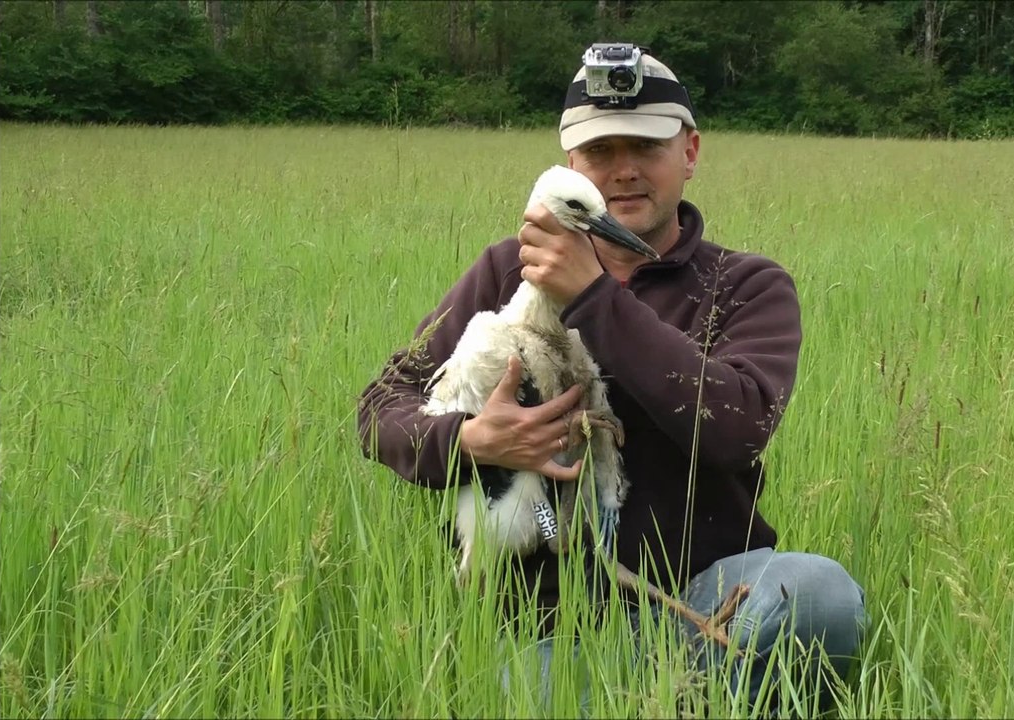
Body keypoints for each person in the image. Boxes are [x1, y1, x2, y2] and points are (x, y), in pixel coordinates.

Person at [356, 48, 869, 713]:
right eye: (601, 151)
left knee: (818, 594)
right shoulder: (505, 273)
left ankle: (703, 697)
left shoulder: (743, 286)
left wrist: (594, 297)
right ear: (573, 166)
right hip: (545, 620)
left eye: (646, 145)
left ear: (689, 151)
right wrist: (473, 440)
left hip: (704, 598)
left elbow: (737, 430)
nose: (624, 169)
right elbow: (380, 409)